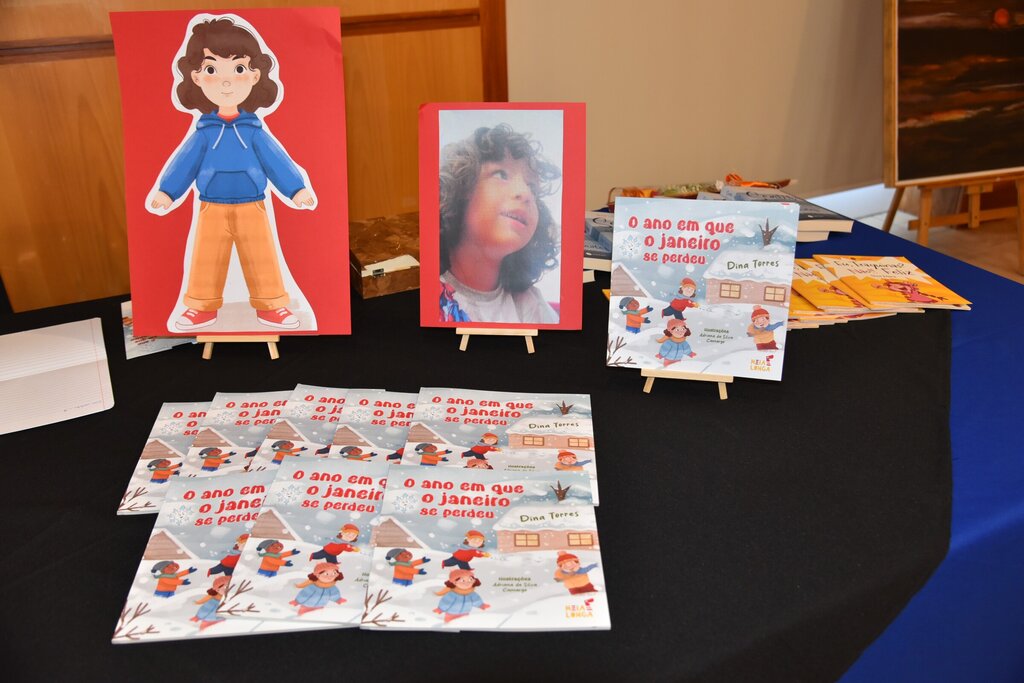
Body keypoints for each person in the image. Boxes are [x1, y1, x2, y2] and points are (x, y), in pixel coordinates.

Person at [149, 17, 315, 332]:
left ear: (255, 75)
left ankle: (271, 305)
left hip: (253, 205)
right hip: (211, 206)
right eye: (212, 70)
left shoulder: (254, 131)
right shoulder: (204, 133)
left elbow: (276, 160)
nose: (226, 82)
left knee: (262, 256)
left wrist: (296, 189)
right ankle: (200, 307)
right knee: (205, 258)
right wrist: (167, 191)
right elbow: (184, 162)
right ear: (196, 77)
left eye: (238, 68)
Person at [438, 124, 561, 324]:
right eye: (501, 174)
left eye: (532, 188)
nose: (526, 194)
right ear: (462, 187)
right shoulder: (428, 293)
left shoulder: (531, 306)